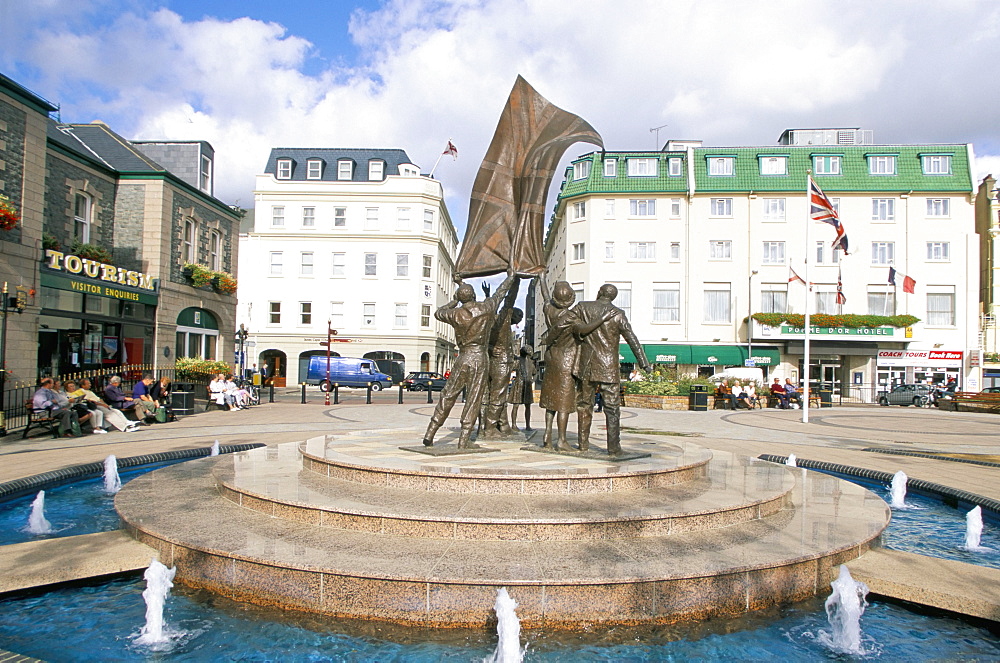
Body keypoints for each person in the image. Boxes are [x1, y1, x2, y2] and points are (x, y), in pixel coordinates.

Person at [422, 269, 516, 449]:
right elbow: (500, 293)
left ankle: (430, 432)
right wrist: (510, 277)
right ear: (474, 295)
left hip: (463, 357)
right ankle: (464, 440)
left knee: (448, 395)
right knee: (474, 398)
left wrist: (456, 297)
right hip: (480, 357)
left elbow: (439, 312)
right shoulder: (487, 308)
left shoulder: (455, 313)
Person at [572, 283, 652, 455]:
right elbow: (632, 339)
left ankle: (583, 444)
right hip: (608, 366)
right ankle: (614, 448)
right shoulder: (618, 315)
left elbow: (567, 325)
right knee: (612, 408)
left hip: (587, 365)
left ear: (599, 292)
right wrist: (644, 362)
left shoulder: (583, 307)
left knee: (584, 405)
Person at [538, 278, 580, 451]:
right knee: (563, 401)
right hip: (566, 361)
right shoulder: (573, 317)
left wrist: (542, 279)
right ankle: (561, 439)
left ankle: (547, 434)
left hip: (551, 358)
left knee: (550, 398)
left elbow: (546, 296)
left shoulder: (548, 310)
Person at [74, 378, 140, 432]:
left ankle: (126, 422)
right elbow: (91, 401)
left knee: (116, 411)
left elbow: (99, 399)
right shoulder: (81, 391)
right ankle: (124, 427)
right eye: (88, 384)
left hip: (101, 404)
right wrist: (102, 405)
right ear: (83, 385)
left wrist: (104, 404)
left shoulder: (90, 391)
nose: (90, 385)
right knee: (110, 415)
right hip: (94, 406)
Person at [508, 344, 537, 432]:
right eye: (529, 350)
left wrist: (532, 380)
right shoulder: (518, 361)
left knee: (528, 406)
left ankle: (528, 425)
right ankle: (513, 425)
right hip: (519, 384)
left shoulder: (531, 363)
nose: (531, 352)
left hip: (527, 385)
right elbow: (510, 368)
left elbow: (535, 373)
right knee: (516, 405)